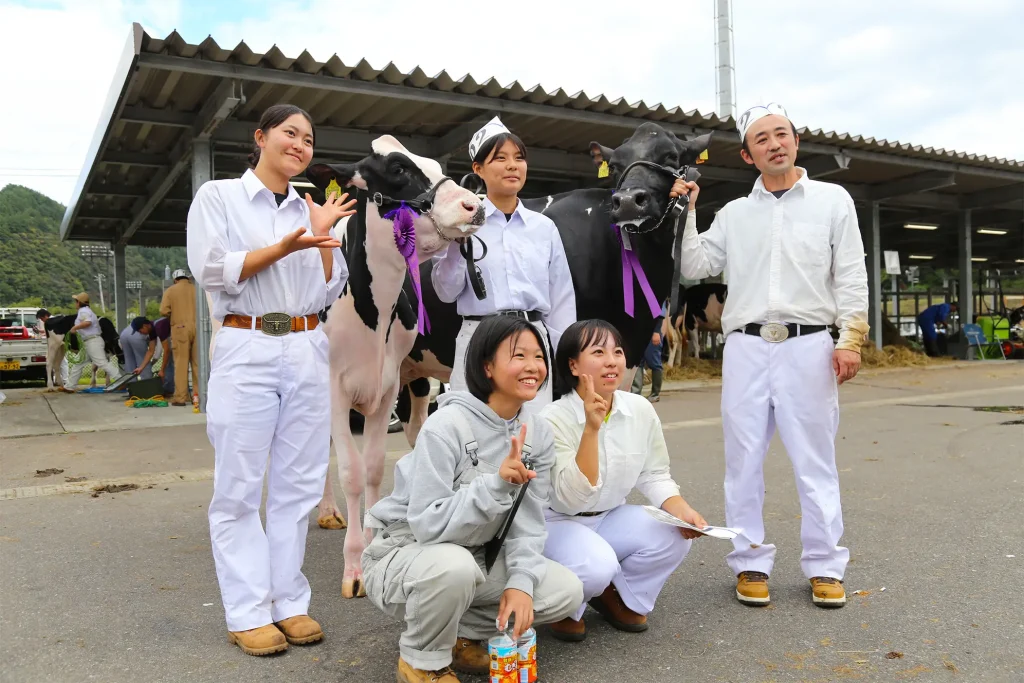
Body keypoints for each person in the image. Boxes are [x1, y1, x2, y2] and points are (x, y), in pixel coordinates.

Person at [672, 102, 869, 609]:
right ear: (747, 155)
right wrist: (689, 210)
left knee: (815, 460)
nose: (774, 144)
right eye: (762, 139)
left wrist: (851, 339)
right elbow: (695, 266)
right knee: (742, 460)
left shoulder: (832, 201)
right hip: (747, 347)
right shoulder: (735, 214)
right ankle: (750, 562)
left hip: (810, 344)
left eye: (781, 134)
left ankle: (825, 565)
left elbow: (850, 273)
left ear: (796, 141)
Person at [186, 103, 354, 656]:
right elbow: (211, 270)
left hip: (307, 343)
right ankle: (247, 609)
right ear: (260, 137)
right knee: (238, 485)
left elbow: (331, 292)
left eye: (308, 138)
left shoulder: (312, 210)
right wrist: (285, 246)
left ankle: (289, 602)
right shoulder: (219, 197)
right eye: (290, 133)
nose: (301, 144)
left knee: (299, 486)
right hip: (248, 341)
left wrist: (324, 238)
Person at [361, 315, 583, 683]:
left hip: (473, 558)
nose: (533, 367)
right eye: (518, 356)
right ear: (487, 367)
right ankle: (421, 661)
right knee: (455, 568)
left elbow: (527, 523)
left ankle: (456, 634)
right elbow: (427, 525)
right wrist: (495, 486)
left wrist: (520, 583)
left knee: (564, 591)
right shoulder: (446, 426)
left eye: (538, 356)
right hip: (405, 553)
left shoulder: (537, 432)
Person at [540, 319, 704, 641]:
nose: (612, 360)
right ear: (573, 365)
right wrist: (590, 428)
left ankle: (614, 595)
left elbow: (655, 473)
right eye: (598, 352)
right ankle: (563, 605)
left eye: (617, 351)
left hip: (609, 516)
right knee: (596, 565)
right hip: (557, 522)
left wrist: (682, 510)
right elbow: (569, 499)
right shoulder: (552, 419)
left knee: (674, 533)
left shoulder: (640, 409)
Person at [432, 116, 576, 408]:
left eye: (519, 158)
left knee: (532, 435)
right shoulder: (460, 220)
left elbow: (561, 299)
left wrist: (567, 359)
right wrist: (459, 241)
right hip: (480, 340)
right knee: (473, 435)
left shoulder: (543, 227)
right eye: (500, 158)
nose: (513, 165)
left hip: (532, 341)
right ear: (478, 169)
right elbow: (445, 292)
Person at [64, 293, 121, 391]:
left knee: (102, 363)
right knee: (78, 363)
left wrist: (74, 328)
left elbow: (87, 322)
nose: (75, 304)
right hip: (89, 341)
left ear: (79, 302)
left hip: (92, 341)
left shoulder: (83, 311)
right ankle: (69, 386)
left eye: (76, 301)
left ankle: (121, 380)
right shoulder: (86, 310)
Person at [160, 270, 199, 406]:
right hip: (198, 328)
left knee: (181, 363)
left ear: (175, 279)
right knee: (197, 364)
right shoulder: (197, 289)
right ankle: (197, 396)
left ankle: (181, 397)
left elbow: (164, 310)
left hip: (180, 328)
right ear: (187, 278)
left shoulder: (171, 290)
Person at [631, 301, 668, 402]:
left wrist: (656, 331)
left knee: (654, 362)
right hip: (638, 331)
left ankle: (655, 393)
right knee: (638, 361)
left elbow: (660, 314)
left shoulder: (654, 290)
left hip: (651, 332)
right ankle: (636, 392)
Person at [35, 309, 69, 389]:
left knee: (62, 361)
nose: (42, 320)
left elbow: (54, 332)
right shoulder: (52, 321)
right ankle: (59, 379)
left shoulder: (53, 321)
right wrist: (40, 331)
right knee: (58, 361)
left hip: (60, 341)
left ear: (46, 316)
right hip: (59, 341)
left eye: (42, 318)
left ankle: (64, 380)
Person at [153, 316, 174, 396]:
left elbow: (165, 350)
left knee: (170, 364)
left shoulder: (158, 328)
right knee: (171, 364)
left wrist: (161, 370)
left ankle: (169, 388)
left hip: (177, 338)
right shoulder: (158, 324)